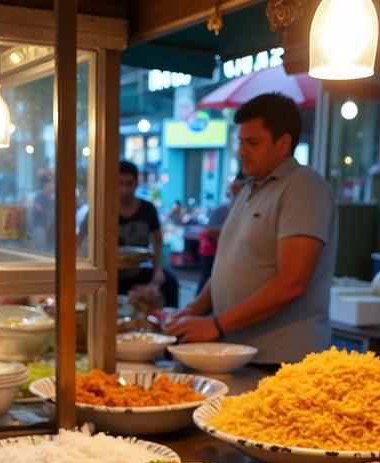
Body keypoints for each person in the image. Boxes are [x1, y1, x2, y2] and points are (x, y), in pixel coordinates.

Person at [168, 93, 337, 363]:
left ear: (283, 143)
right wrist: (191, 312)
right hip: (235, 351)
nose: (242, 151)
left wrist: (216, 324)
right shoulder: (248, 190)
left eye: (253, 142)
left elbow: (293, 282)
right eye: (240, 142)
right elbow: (227, 266)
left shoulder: (303, 186)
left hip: (280, 360)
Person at [116, 160, 178, 308]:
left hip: (140, 270)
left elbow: (158, 241)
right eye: (120, 183)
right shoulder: (104, 208)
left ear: (137, 183)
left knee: (170, 282)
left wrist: (157, 272)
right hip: (113, 273)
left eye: (129, 183)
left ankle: (167, 322)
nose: (125, 189)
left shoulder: (147, 208)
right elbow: (82, 237)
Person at [197, 173, 245, 295]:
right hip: (214, 253)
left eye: (239, 190)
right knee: (209, 279)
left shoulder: (247, 209)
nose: (235, 193)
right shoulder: (221, 210)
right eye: (233, 189)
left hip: (235, 256)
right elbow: (209, 232)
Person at [30, 170, 55, 250]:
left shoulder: (53, 198)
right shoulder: (39, 198)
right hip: (42, 232)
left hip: (52, 234)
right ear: (45, 185)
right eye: (51, 183)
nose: (53, 185)